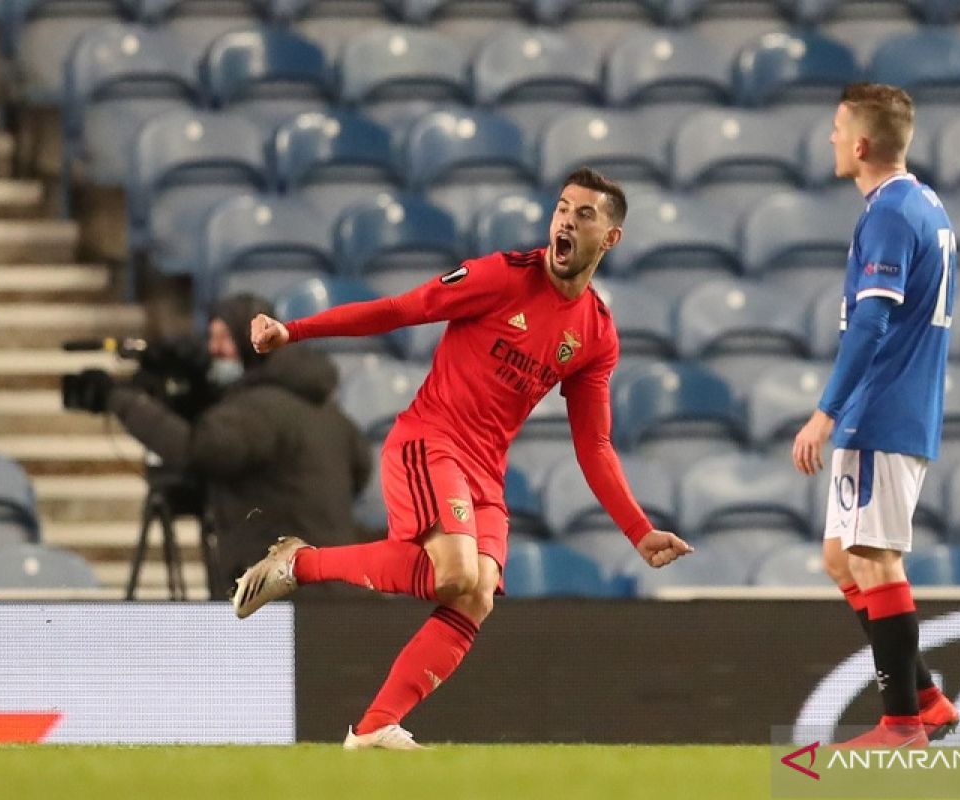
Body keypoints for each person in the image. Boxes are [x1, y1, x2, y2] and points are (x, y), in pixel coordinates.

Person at [232, 167, 694, 750]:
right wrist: (293, 331)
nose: (565, 222)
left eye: (584, 215)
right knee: (453, 574)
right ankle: (301, 565)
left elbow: (593, 444)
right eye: (561, 209)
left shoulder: (596, 333)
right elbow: (403, 309)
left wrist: (638, 530)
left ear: (610, 239)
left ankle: (374, 729)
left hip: (484, 471)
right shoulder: (501, 276)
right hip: (430, 442)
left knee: (475, 597)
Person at [791, 83, 960, 748]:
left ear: (861, 144)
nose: (831, 139)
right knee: (842, 557)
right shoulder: (924, 204)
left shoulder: (889, 213)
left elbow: (872, 320)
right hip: (900, 405)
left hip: (881, 408)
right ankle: (927, 700)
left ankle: (901, 727)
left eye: (838, 129)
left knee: (875, 556)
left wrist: (825, 412)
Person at [107, 292, 371, 598]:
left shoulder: (256, 409)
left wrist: (125, 402)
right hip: (332, 583)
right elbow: (361, 466)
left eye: (224, 337)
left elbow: (198, 450)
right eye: (211, 337)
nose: (213, 349)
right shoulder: (323, 405)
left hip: (283, 591)